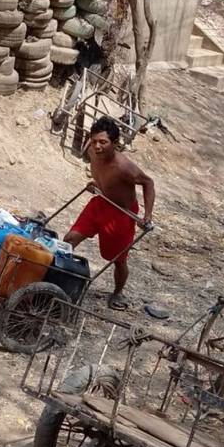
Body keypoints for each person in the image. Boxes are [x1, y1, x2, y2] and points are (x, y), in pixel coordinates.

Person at [64, 116, 155, 310]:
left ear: (114, 143)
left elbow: (148, 183)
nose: (97, 146)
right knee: (70, 239)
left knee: (117, 260)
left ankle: (117, 293)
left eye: (103, 142)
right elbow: (106, 178)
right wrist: (97, 184)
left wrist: (147, 216)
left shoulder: (124, 166)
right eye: (95, 141)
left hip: (121, 214)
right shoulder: (91, 151)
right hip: (100, 203)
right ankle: (56, 276)